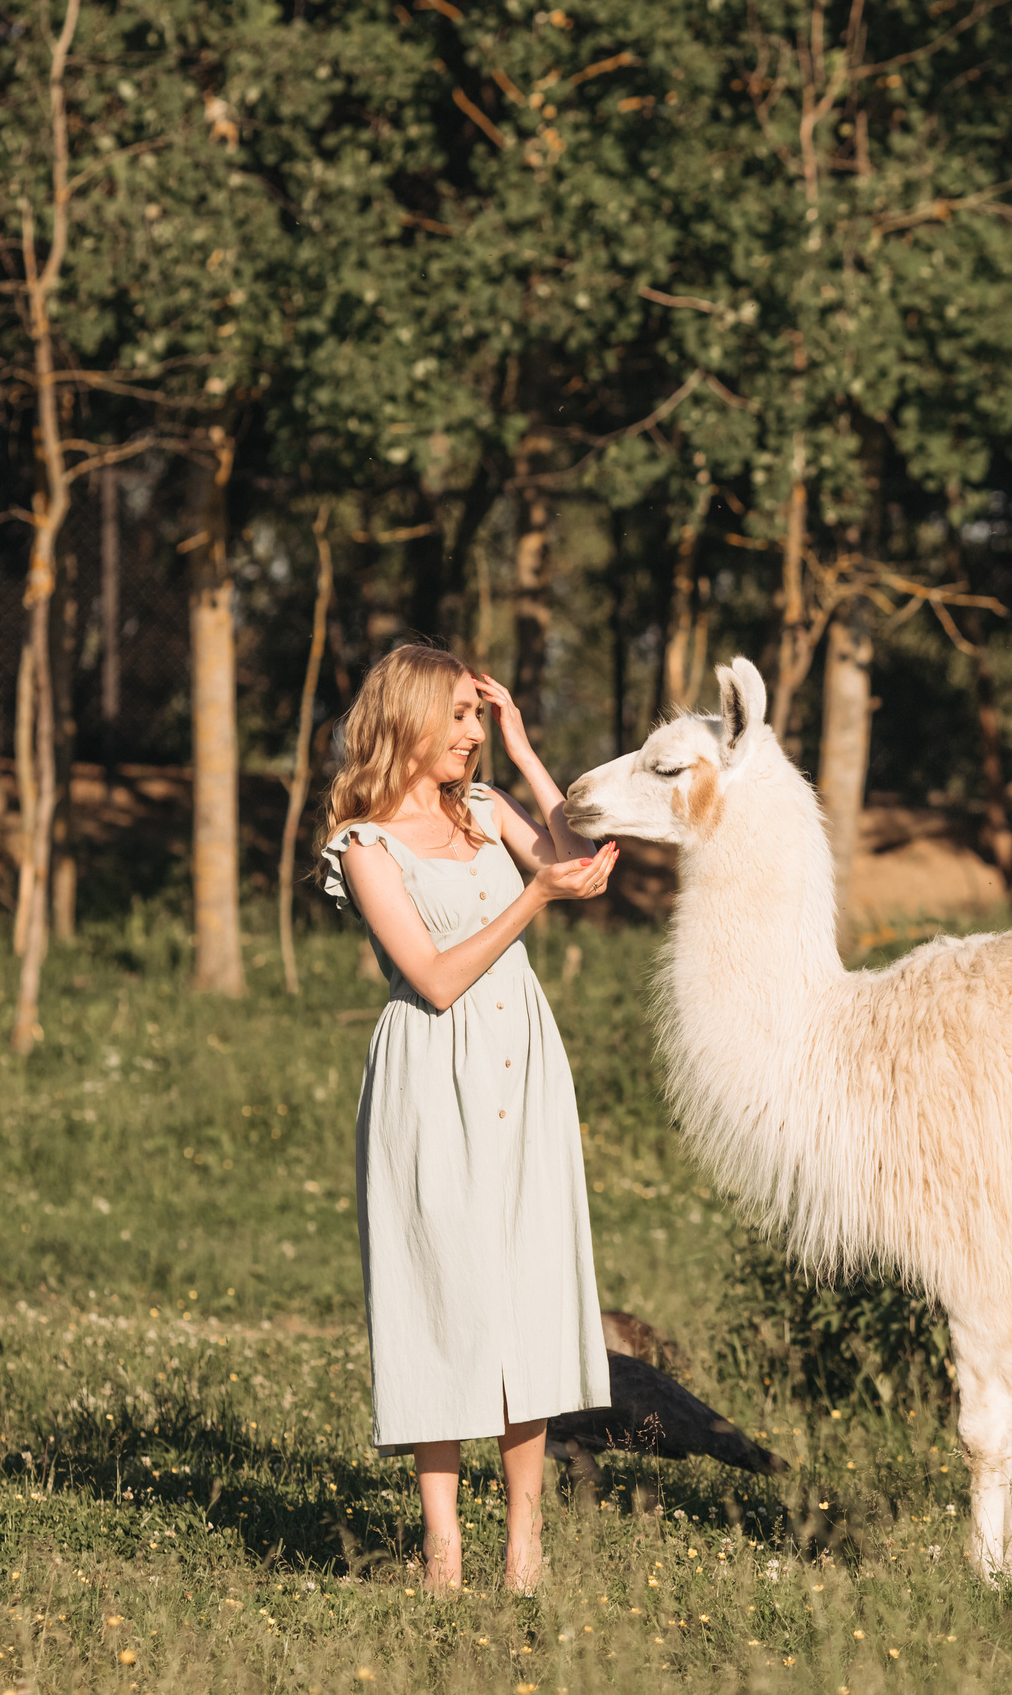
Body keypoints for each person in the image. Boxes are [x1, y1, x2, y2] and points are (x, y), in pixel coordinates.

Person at [317, 643, 621, 1595]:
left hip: (523, 1064)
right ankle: (442, 1551)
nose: (472, 732)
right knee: (440, 1295)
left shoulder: (487, 811)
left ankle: (523, 1550)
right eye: (458, 715)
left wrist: (530, 753)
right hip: (431, 1075)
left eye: (479, 716)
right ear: (405, 717)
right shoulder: (366, 844)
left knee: (526, 1293)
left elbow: (582, 865)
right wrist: (534, 894)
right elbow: (437, 978)